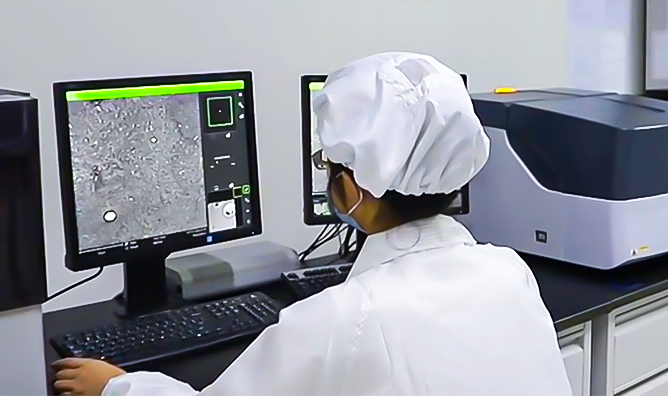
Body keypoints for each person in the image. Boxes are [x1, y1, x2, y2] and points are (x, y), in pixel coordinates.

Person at [53, 52, 572, 396]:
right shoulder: (508, 272)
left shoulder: (345, 318)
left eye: (329, 164)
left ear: (354, 189)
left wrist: (114, 386)